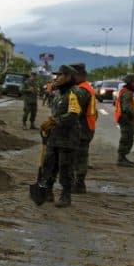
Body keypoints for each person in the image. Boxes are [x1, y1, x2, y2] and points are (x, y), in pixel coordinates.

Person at [39, 65, 81, 207]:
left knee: (65, 167)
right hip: (54, 136)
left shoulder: (75, 93)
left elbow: (73, 115)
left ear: (69, 77)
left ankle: (66, 195)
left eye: (60, 75)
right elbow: (55, 113)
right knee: (49, 164)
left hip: (68, 138)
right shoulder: (58, 93)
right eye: (56, 75)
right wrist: (49, 125)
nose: (56, 78)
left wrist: (54, 121)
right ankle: (48, 191)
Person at [72, 63, 97, 192]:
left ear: (77, 75)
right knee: (80, 155)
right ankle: (78, 183)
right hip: (87, 126)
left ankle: (79, 184)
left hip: (82, 128)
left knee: (80, 157)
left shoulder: (82, 90)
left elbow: (74, 112)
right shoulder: (86, 88)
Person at [115, 74, 134, 167]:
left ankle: (123, 157)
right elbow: (127, 108)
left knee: (127, 138)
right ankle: (121, 159)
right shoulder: (127, 93)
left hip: (126, 118)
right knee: (126, 139)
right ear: (130, 82)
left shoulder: (126, 91)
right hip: (126, 119)